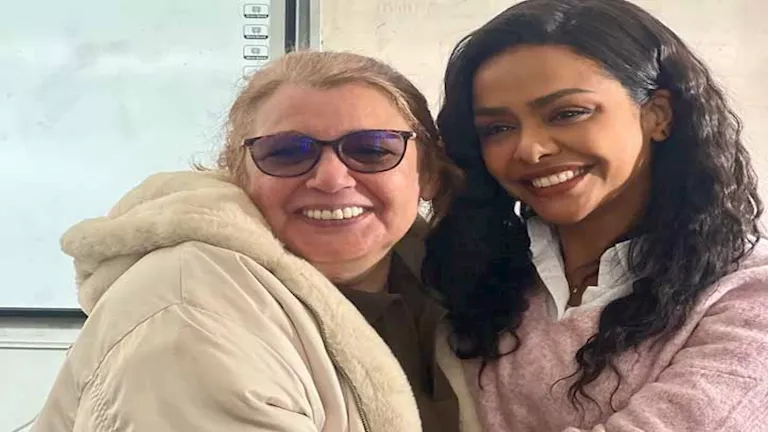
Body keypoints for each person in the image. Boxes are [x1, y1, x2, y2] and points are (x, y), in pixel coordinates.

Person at [33, 51, 462, 432]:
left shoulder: (445, 291)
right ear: (238, 174)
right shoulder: (189, 311)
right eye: (287, 153)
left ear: (427, 174)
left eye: (372, 149)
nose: (331, 179)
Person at [422, 0, 768, 431]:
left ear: (657, 115)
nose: (530, 149)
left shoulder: (747, 295)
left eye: (567, 113)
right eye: (498, 128)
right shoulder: (472, 280)